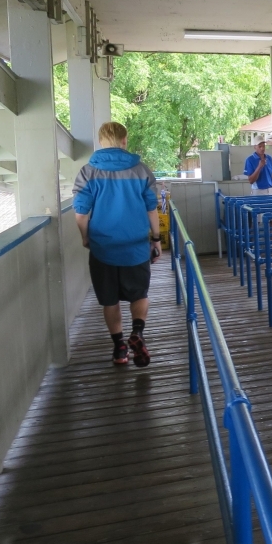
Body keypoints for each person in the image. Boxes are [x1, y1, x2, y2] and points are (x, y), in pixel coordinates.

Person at [73, 121, 160, 367]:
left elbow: (80, 213)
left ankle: (120, 348)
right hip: (135, 247)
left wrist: (85, 236)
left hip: (103, 249)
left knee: (109, 300)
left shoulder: (88, 172)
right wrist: (156, 239)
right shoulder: (141, 170)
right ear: (124, 140)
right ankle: (138, 333)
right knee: (139, 294)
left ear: (101, 142)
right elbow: (151, 208)